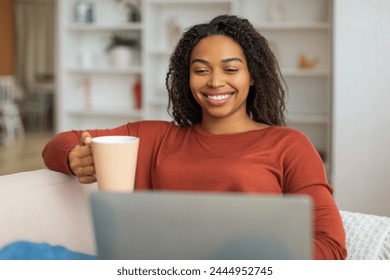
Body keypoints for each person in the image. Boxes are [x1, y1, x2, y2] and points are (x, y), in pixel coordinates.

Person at [42, 15, 347, 260]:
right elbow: (59, 143)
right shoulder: (155, 137)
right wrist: (73, 158)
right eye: (201, 70)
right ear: (186, 78)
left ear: (252, 76)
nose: (215, 81)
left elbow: (330, 245)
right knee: (25, 255)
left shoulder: (288, 144)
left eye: (230, 69)